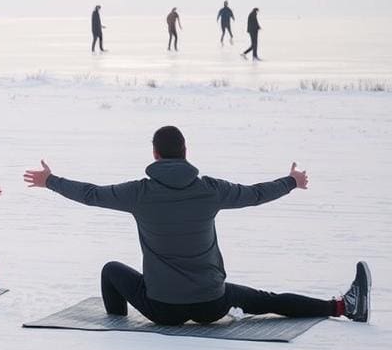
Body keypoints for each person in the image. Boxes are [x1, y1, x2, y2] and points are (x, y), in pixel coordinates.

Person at [22, 125, 371, 325]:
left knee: (111, 270)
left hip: (162, 309)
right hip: (211, 303)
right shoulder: (210, 189)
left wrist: (50, 180)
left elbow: (92, 194)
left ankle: (118, 326)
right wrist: (292, 181)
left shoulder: (138, 193)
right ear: (185, 151)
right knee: (267, 300)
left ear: (155, 154)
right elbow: (255, 194)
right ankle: (340, 307)